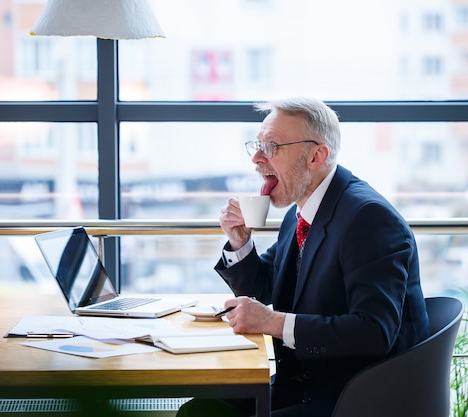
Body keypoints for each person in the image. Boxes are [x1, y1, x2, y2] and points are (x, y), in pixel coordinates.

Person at [177, 97, 429, 417]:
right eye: (257, 145)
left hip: (353, 399)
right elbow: (267, 287)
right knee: (201, 410)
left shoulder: (368, 218)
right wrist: (239, 242)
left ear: (316, 155)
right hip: (302, 385)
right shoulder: (303, 210)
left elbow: (374, 332)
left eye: (272, 146)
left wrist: (272, 322)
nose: (256, 158)